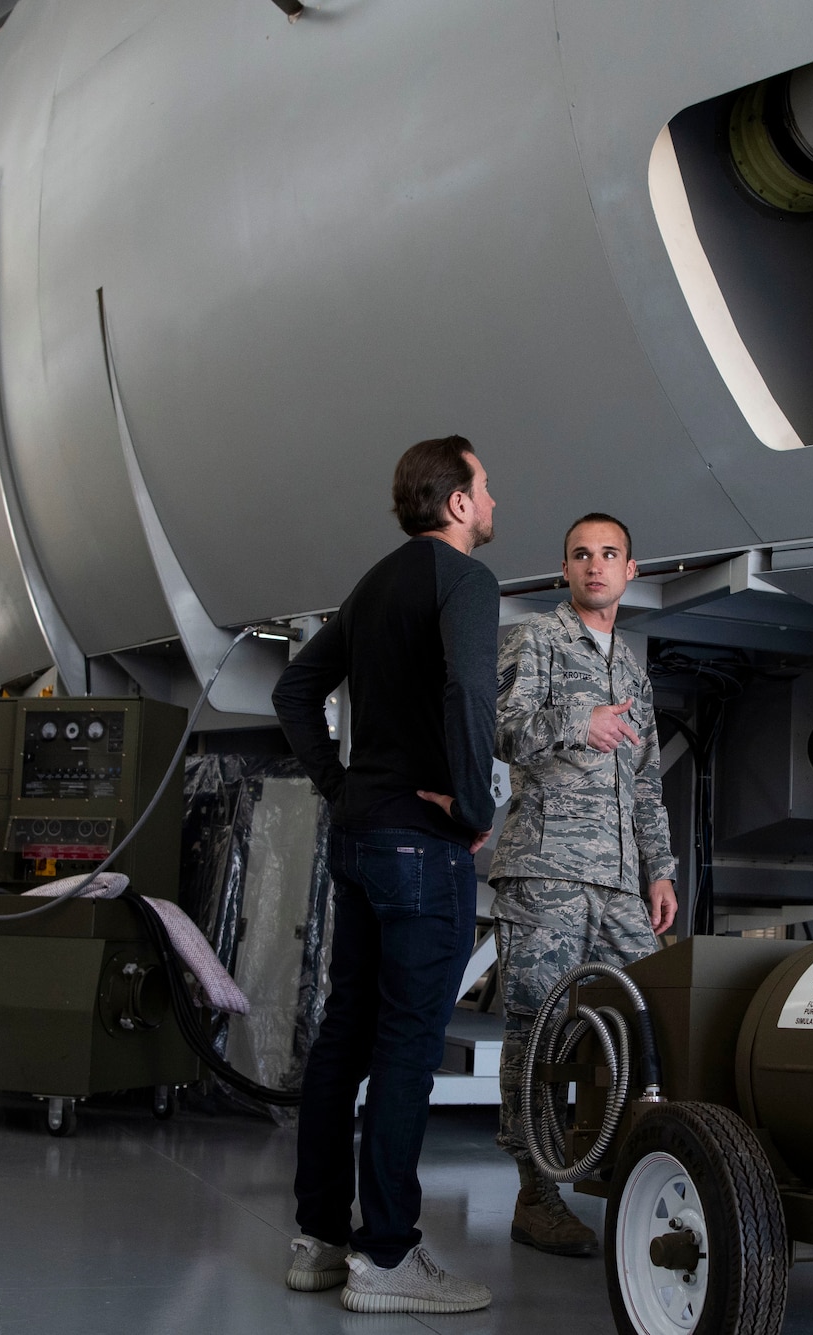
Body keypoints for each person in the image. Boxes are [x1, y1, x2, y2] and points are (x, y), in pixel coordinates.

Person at [271, 435, 500, 1314]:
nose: (492, 497)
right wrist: (475, 809)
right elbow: (469, 695)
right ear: (456, 504)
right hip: (420, 845)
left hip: (361, 837)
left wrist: (340, 783)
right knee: (406, 1048)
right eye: (484, 486)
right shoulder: (466, 582)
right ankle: (390, 1258)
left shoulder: (372, 585)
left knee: (344, 1036)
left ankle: (319, 1241)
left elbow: (295, 692)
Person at [489, 512, 678, 1256]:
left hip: (620, 881)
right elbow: (501, 728)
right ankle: (535, 1193)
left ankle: (642, 1164)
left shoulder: (633, 668)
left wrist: (659, 868)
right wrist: (578, 717)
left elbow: (647, 782)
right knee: (535, 1027)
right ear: (564, 570)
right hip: (545, 871)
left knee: (658, 1008)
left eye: (609, 555)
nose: (594, 565)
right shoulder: (537, 638)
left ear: (632, 570)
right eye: (580, 555)